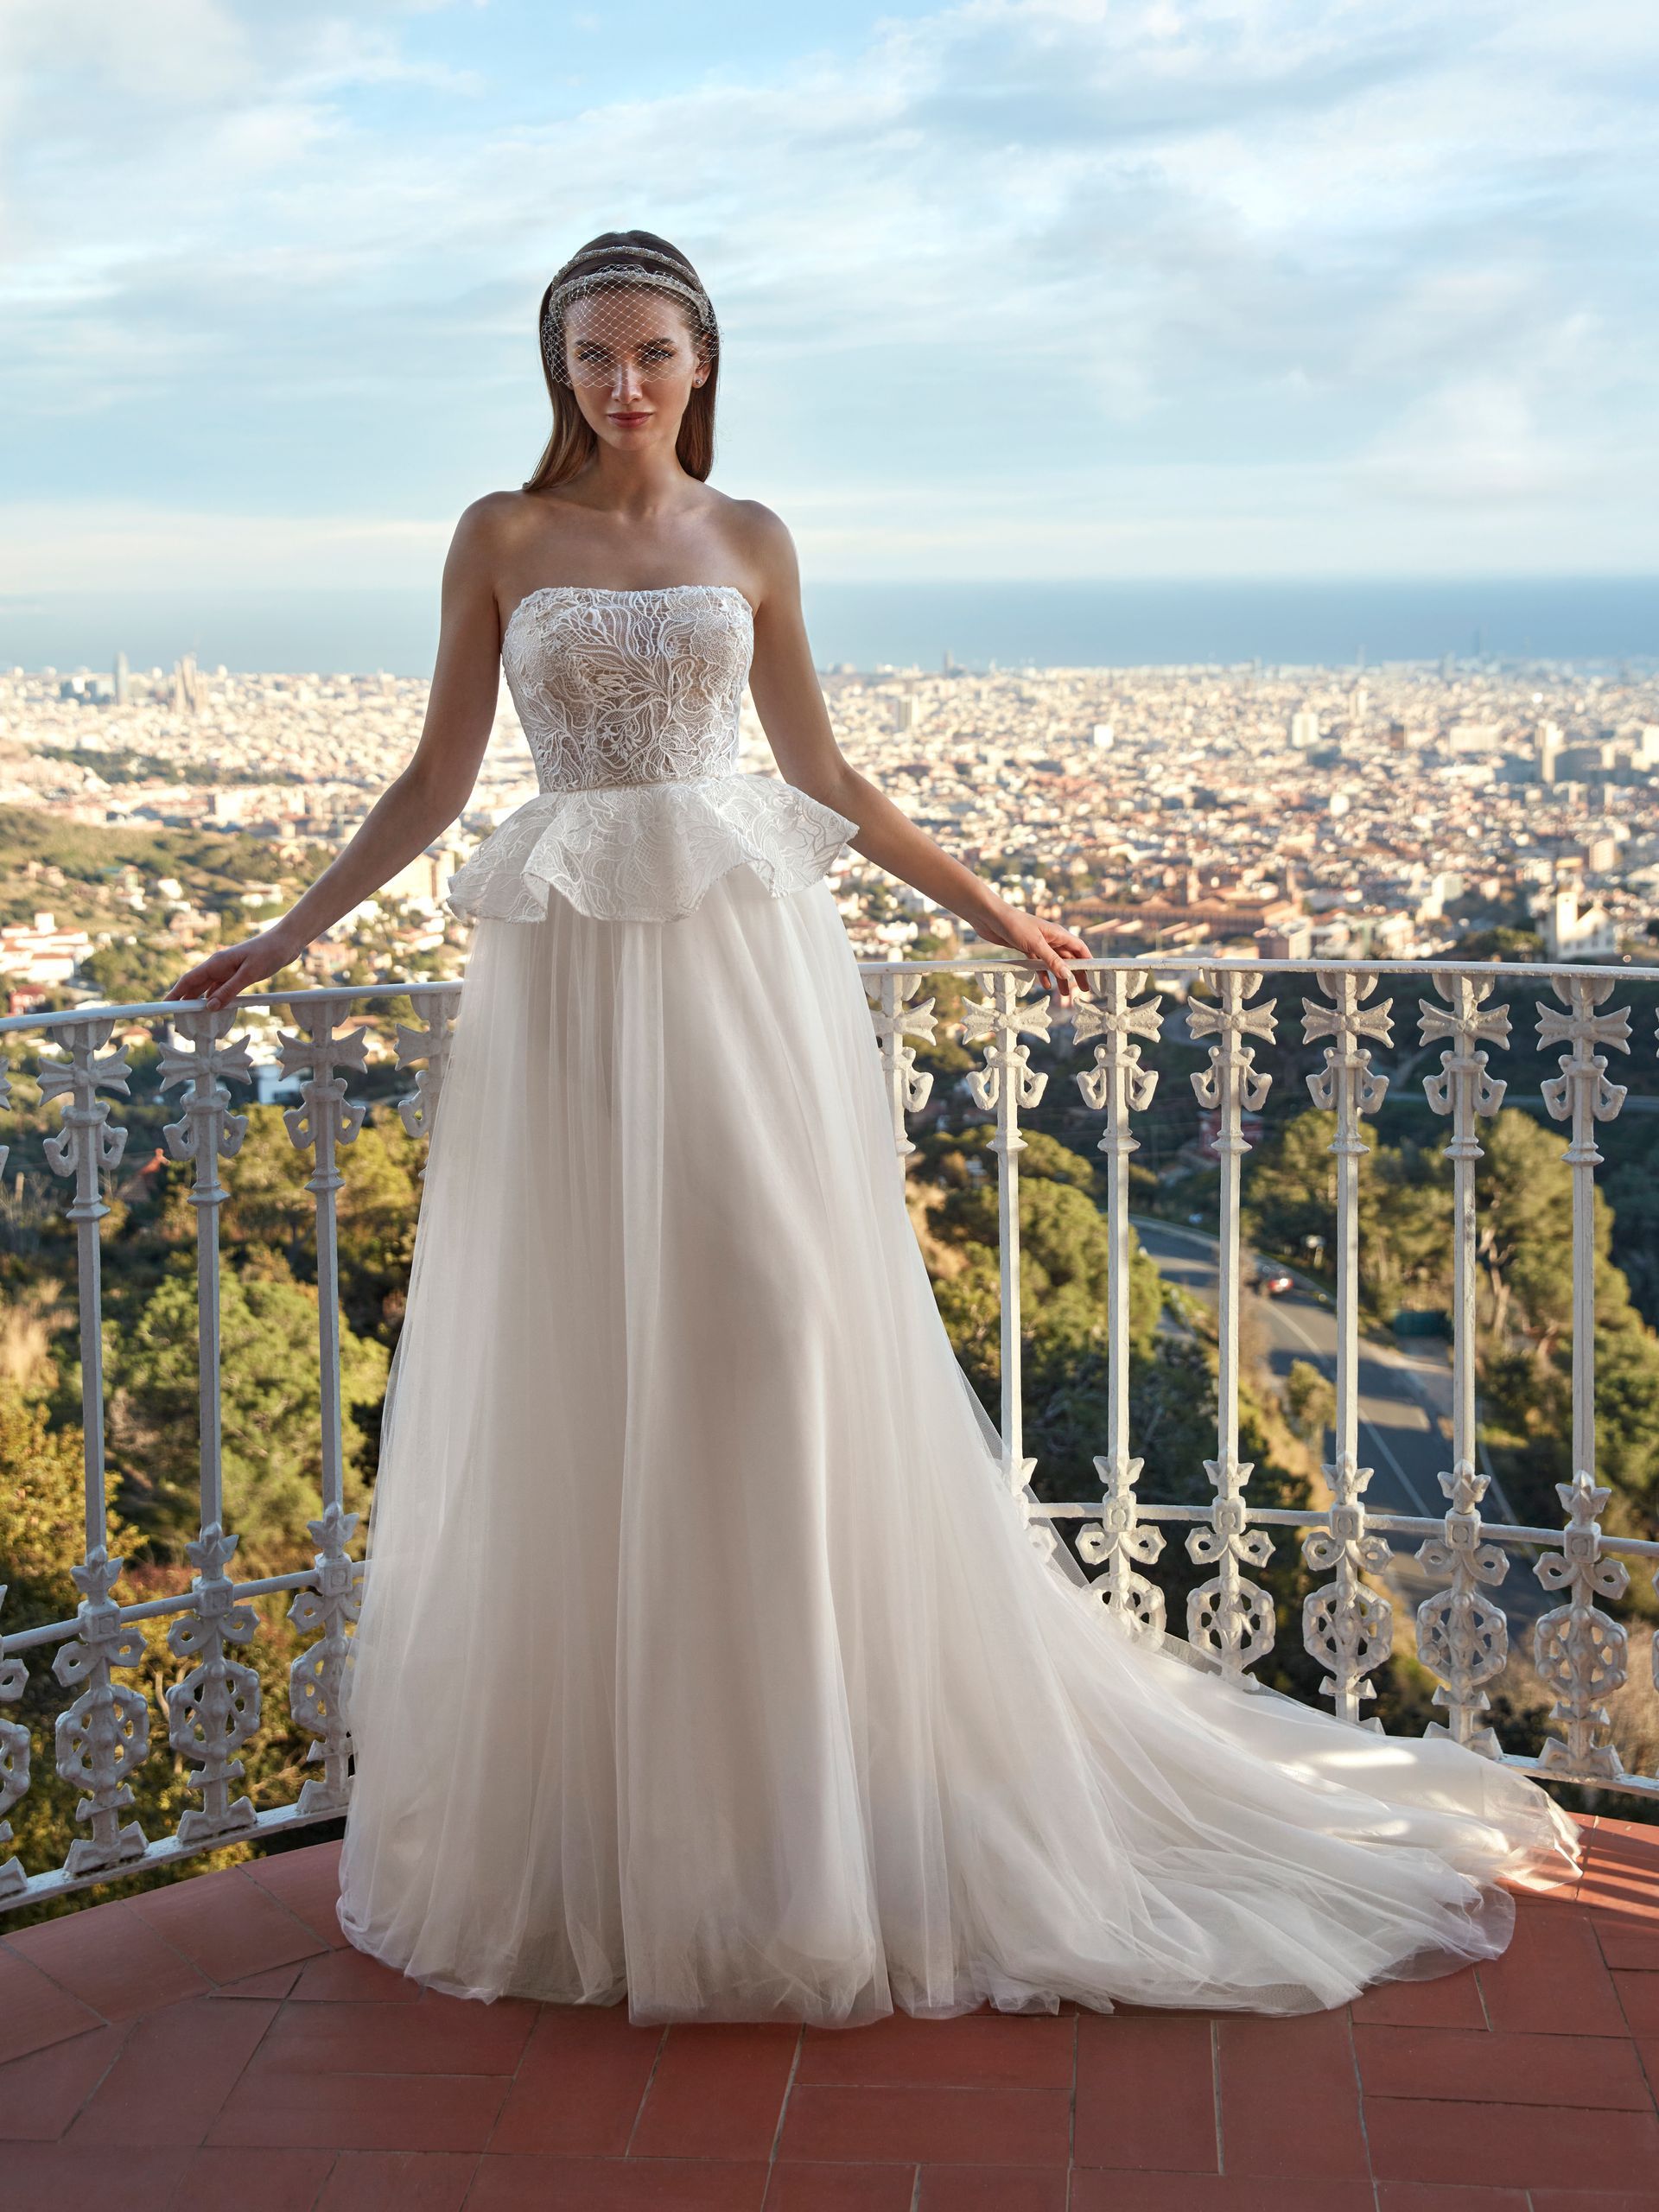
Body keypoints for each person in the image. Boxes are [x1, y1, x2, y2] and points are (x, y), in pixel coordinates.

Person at [164, 229, 1581, 2027]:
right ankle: (634, 1834)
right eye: (592, 355)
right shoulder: (497, 537)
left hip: (749, 970)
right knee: (596, 1364)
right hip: (577, 984)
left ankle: (802, 1809)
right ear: (557, 366)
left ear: (701, 359)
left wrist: (997, 911)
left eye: (651, 353)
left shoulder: (751, 537)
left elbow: (823, 774)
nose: (621, 385)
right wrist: (291, 930)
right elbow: (441, 775)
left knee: (777, 1324)